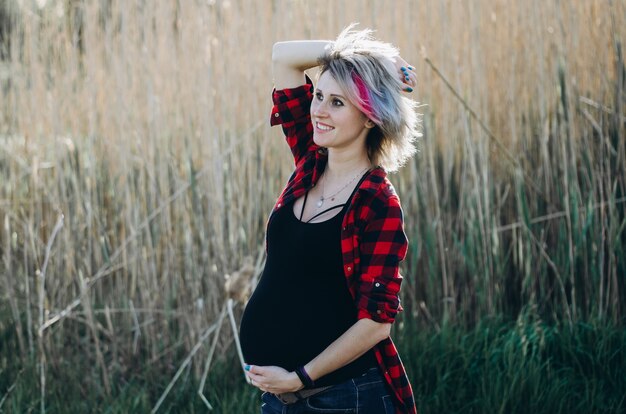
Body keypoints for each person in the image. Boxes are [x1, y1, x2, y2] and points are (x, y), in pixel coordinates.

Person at [239, 24, 420, 414]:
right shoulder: (310, 158)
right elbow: (282, 56)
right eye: (319, 95)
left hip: (344, 398)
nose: (318, 110)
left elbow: (376, 324)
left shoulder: (377, 202)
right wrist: (371, 58)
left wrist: (300, 376)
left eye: (337, 103)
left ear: (370, 117)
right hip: (280, 400)